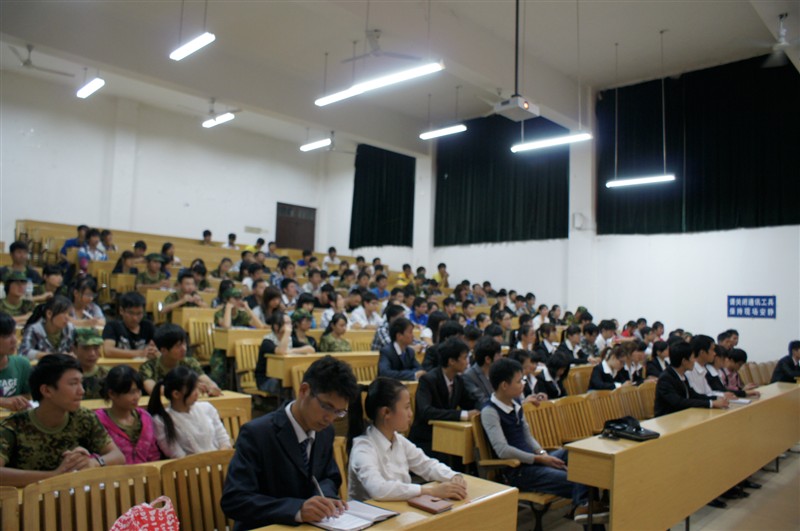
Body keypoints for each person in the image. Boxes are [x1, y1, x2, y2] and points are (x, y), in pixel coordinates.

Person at [221, 356, 359, 529]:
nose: (330, 418)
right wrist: (297, 509)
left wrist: (325, 498)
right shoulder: (257, 433)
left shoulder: (325, 432)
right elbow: (235, 499)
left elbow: (329, 476)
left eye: (339, 412)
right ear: (304, 390)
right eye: (326, 407)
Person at [481, 358, 607, 524]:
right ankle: (584, 507)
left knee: (580, 457)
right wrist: (539, 459)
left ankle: (583, 507)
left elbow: (527, 435)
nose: (523, 384)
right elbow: (503, 450)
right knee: (582, 478)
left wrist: (543, 454)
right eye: (519, 381)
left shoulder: (515, 403)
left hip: (535, 461)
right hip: (518, 470)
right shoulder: (490, 412)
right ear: (504, 385)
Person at [0, 354, 125, 487]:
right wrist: (55, 476)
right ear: (47, 390)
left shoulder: (84, 418)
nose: (82, 391)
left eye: (81, 383)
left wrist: (94, 463)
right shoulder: (14, 426)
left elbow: (118, 456)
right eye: (73, 384)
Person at [348, 377, 467, 501]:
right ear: (386, 412)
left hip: (397, 509)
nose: (410, 414)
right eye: (406, 407)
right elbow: (378, 489)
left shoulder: (399, 440)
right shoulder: (363, 448)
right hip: (372, 512)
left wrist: (453, 476)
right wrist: (430, 491)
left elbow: (427, 465)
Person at [409, 338, 478, 458]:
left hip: (448, 436)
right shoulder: (428, 380)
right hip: (426, 439)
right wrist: (463, 415)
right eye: (464, 358)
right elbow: (426, 411)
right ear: (451, 361)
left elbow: (469, 403)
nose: (467, 362)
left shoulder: (458, 380)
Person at [148, 366, 231, 458]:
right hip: (190, 466)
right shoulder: (161, 421)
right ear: (176, 394)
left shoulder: (207, 408)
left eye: (197, 388)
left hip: (219, 461)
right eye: (192, 389)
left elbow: (223, 439)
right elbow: (177, 455)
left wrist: (221, 457)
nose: (197, 393)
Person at [95, 365, 161, 464]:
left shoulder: (145, 418)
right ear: (112, 394)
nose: (137, 396)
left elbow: (153, 454)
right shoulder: (98, 421)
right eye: (131, 392)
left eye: (139, 391)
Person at [139, 323, 221, 396]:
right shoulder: (148, 367)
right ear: (164, 350)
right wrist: (189, 388)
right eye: (178, 346)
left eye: (184, 343)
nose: (184, 349)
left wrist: (212, 387)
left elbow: (206, 380)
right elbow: (154, 390)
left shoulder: (190, 362)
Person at [654, 341, 729, 418]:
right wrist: (711, 403)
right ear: (684, 361)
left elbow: (693, 395)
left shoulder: (681, 374)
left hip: (681, 416)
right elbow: (679, 402)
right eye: (692, 357)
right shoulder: (666, 378)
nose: (694, 361)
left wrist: (716, 398)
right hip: (667, 418)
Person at [256, 312, 315, 394]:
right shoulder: (267, 341)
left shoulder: (289, 339)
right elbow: (281, 351)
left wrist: (292, 351)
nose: (290, 326)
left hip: (283, 377)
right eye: (287, 323)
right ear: (276, 326)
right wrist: (287, 333)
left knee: (302, 382)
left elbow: (311, 349)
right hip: (266, 380)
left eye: (290, 323)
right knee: (288, 386)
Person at [102, 291, 158, 360]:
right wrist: (140, 353)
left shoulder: (148, 326)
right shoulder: (112, 326)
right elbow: (108, 351)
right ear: (121, 310)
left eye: (139, 313)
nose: (135, 318)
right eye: (131, 313)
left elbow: (160, 349)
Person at [19, 295, 75, 360]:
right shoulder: (34, 329)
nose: (67, 318)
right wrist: (55, 356)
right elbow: (23, 352)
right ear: (49, 314)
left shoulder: (69, 329)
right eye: (63, 313)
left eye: (69, 314)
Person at [0, 312, 32, 411]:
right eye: (6, 336)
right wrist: (3, 402)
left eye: (14, 333)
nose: (14, 340)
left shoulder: (22, 364)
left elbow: (28, 396)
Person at [462, 336, 502, 406]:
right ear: (488, 359)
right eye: (498, 355)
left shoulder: (498, 372)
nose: (501, 357)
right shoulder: (468, 376)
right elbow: (482, 400)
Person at [73, 328, 109, 400]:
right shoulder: (66, 376)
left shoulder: (108, 374)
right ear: (74, 349)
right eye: (86, 348)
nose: (92, 354)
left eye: (96, 348)